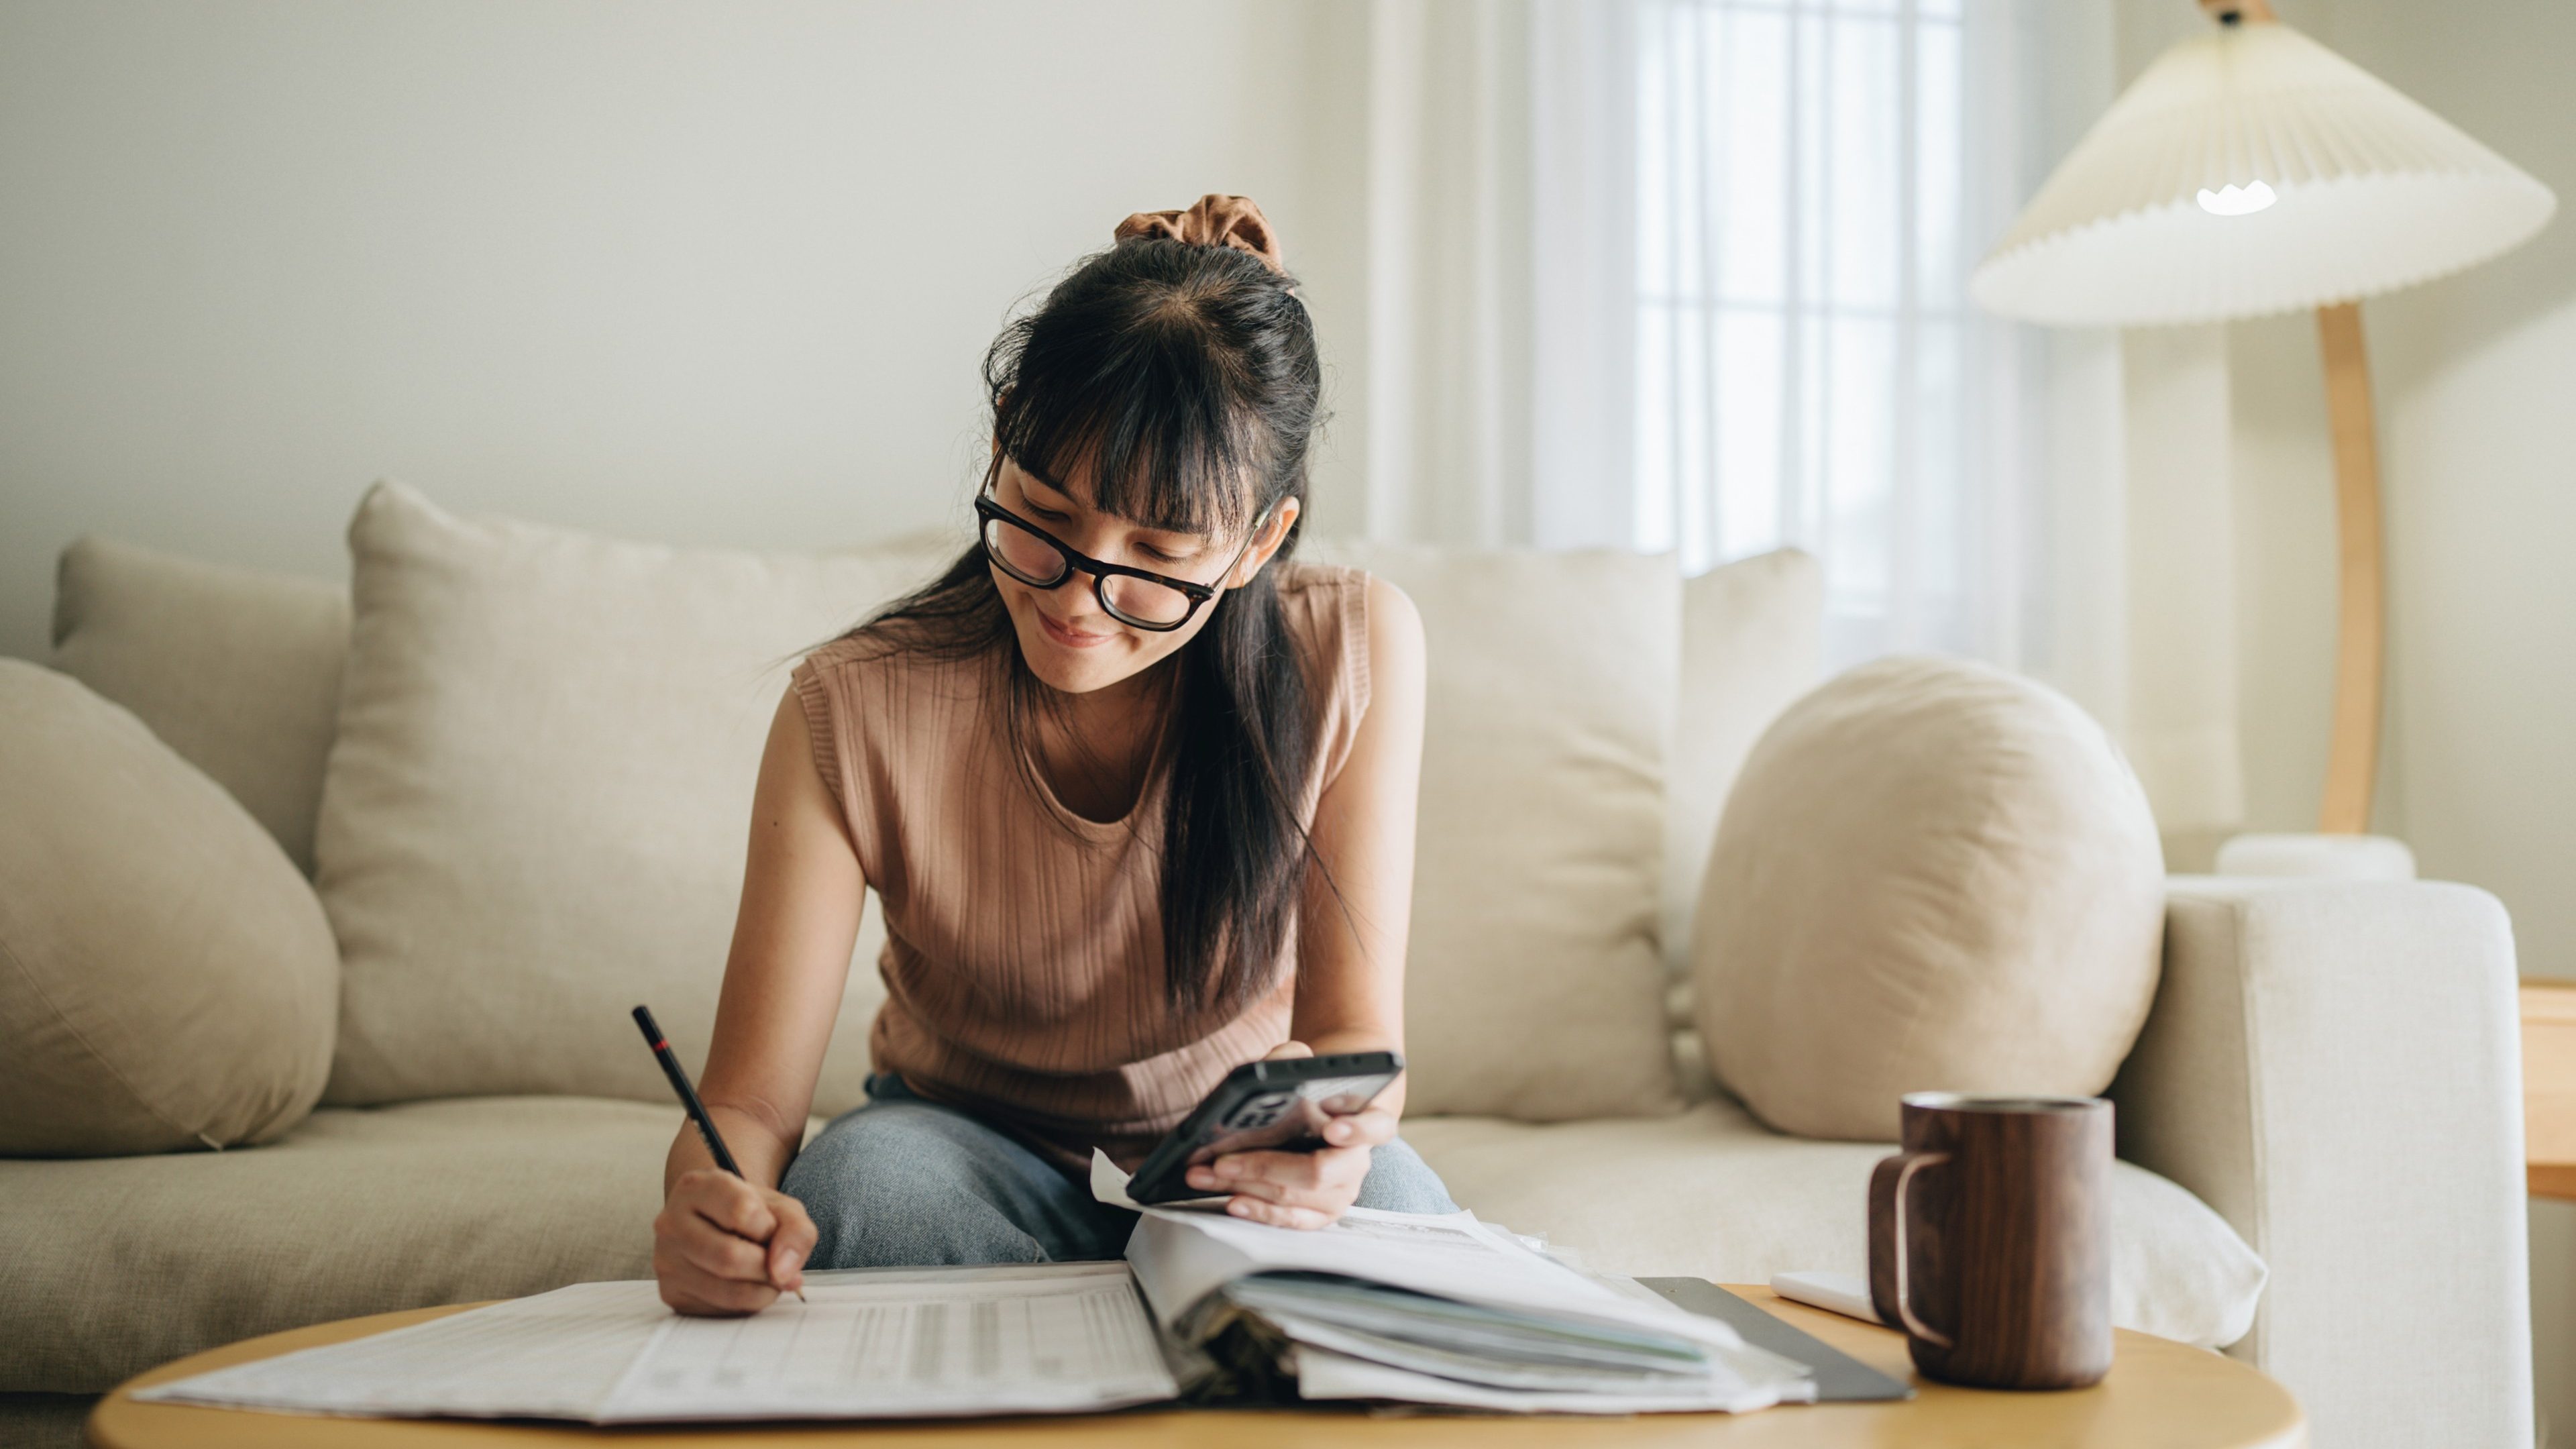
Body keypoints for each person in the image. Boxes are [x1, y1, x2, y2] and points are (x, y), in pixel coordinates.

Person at [651, 195, 1456, 1316]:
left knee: (1407, 1228)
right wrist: (710, 1192)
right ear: (1001, 435)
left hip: (1230, 1157)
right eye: (1040, 515)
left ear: (1258, 542)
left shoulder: (1351, 648)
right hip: (961, 1141)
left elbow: (1355, 1040)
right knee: (861, 1197)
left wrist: (1338, 1143)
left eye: (1158, 555)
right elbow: (746, 1106)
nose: (1081, 599)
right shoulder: (854, 704)